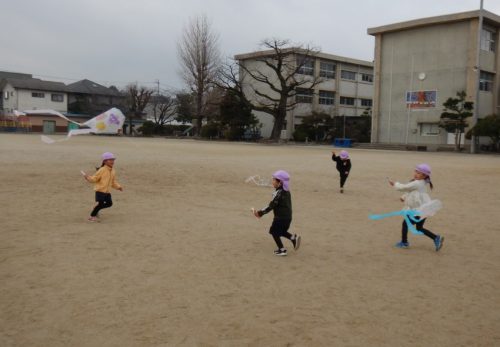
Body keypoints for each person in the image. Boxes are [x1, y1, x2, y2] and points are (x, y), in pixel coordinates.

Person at [389, 163, 444, 251]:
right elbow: (411, 191)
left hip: (418, 210)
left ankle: (404, 242)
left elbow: (404, 187)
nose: (415, 174)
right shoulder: (421, 183)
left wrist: (395, 184)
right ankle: (435, 238)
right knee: (419, 228)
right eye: (415, 171)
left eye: (418, 173)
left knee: (405, 223)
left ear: (424, 175)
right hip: (424, 210)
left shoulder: (417, 183)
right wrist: (403, 197)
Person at [252, 170, 301, 256]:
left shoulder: (279, 193)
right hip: (287, 217)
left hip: (280, 218)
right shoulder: (286, 191)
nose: (272, 181)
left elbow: (271, 206)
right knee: (281, 231)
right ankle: (293, 238)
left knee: (274, 232)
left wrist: (260, 213)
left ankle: (282, 249)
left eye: (274, 180)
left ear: (280, 182)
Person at [84, 152, 123, 222]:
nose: (112, 161)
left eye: (113, 160)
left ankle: (96, 208)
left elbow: (113, 182)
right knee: (101, 204)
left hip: (107, 191)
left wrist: (118, 187)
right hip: (100, 191)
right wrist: (88, 178)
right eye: (110, 160)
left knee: (109, 204)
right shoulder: (102, 170)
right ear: (104, 161)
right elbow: (94, 179)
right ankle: (91, 216)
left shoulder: (113, 171)